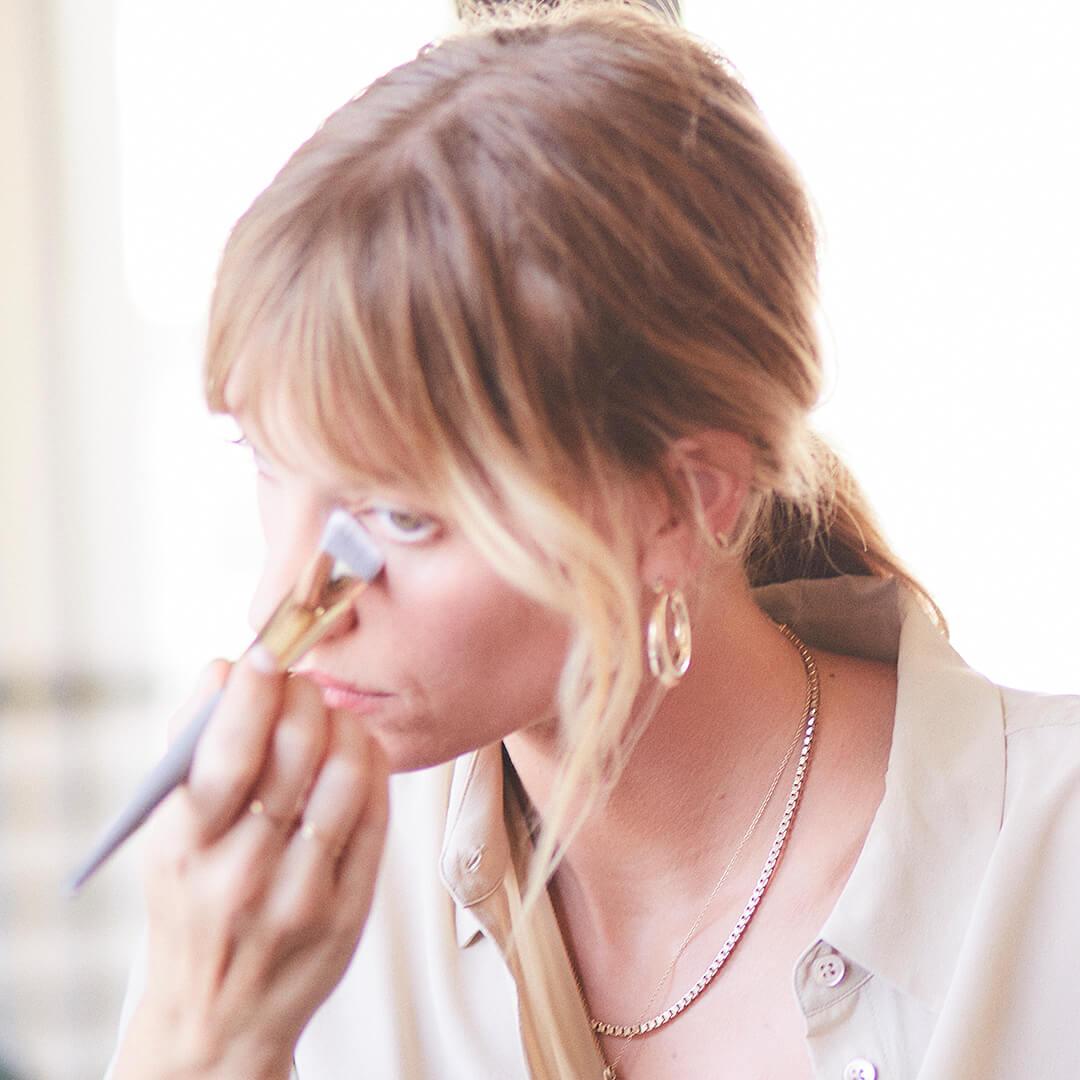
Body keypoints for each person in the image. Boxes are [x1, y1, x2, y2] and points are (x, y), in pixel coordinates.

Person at [108, 3, 1080, 1078]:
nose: (281, 605)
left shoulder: (1051, 868)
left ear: (683, 504)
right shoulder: (278, 904)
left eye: (401, 517)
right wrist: (200, 1038)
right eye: (265, 459)